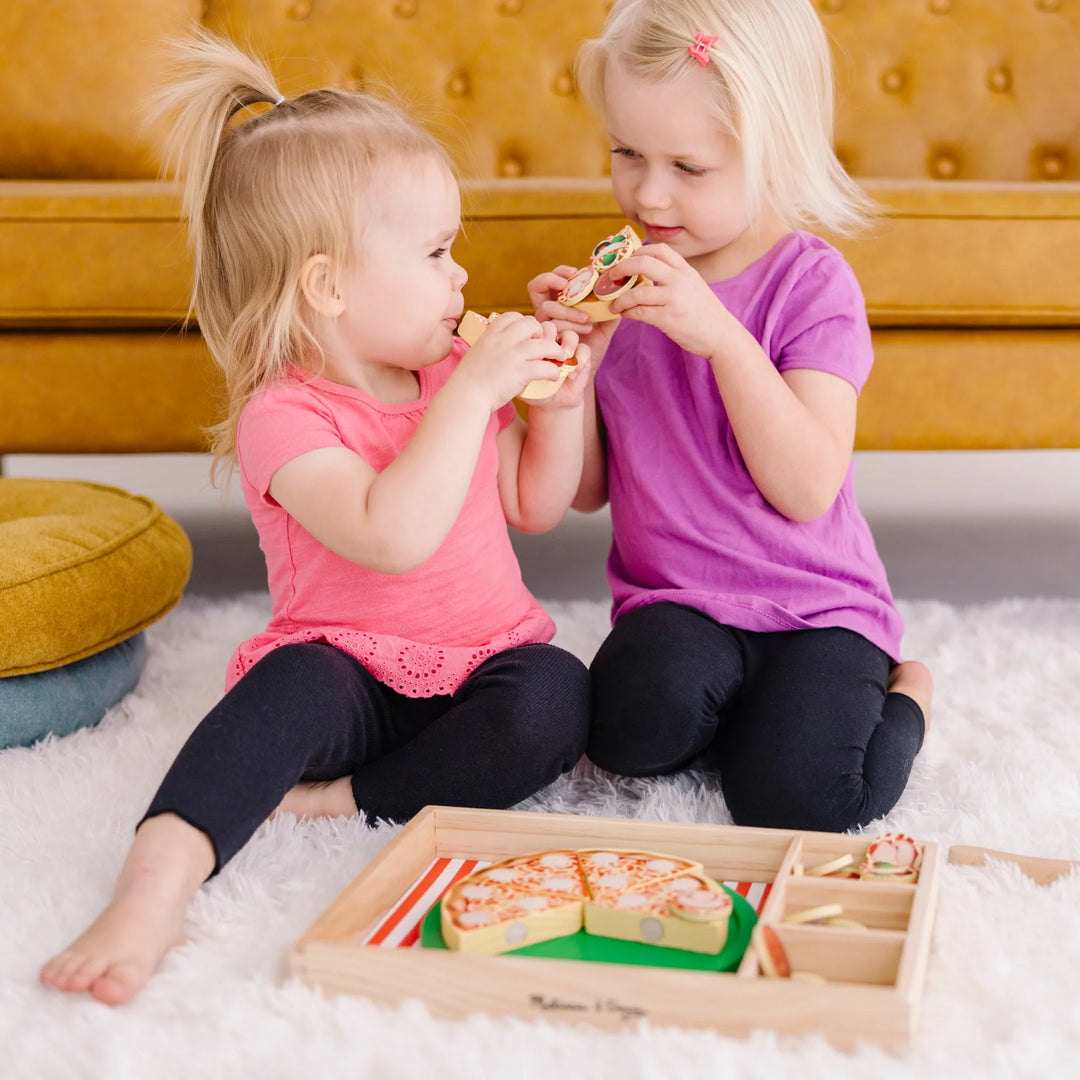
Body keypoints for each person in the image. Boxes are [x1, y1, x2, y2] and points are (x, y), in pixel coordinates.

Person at [40, 30, 592, 1006]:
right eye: (433, 253)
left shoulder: (453, 374)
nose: (461, 277)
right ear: (328, 284)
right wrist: (471, 404)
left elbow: (533, 505)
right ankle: (155, 886)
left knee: (555, 697)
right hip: (350, 670)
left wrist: (558, 405)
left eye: (452, 249)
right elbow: (390, 530)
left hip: (486, 660)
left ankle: (345, 801)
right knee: (278, 697)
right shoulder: (283, 417)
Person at [530, 0, 932, 834]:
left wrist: (723, 338)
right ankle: (744, 708)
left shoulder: (812, 284)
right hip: (677, 601)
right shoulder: (630, 286)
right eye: (627, 153)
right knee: (626, 733)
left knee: (801, 801)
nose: (648, 191)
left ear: (773, 159)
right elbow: (588, 494)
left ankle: (908, 694)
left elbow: (807, 486)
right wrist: (574, 380)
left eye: (689, 166)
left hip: (818, 609)